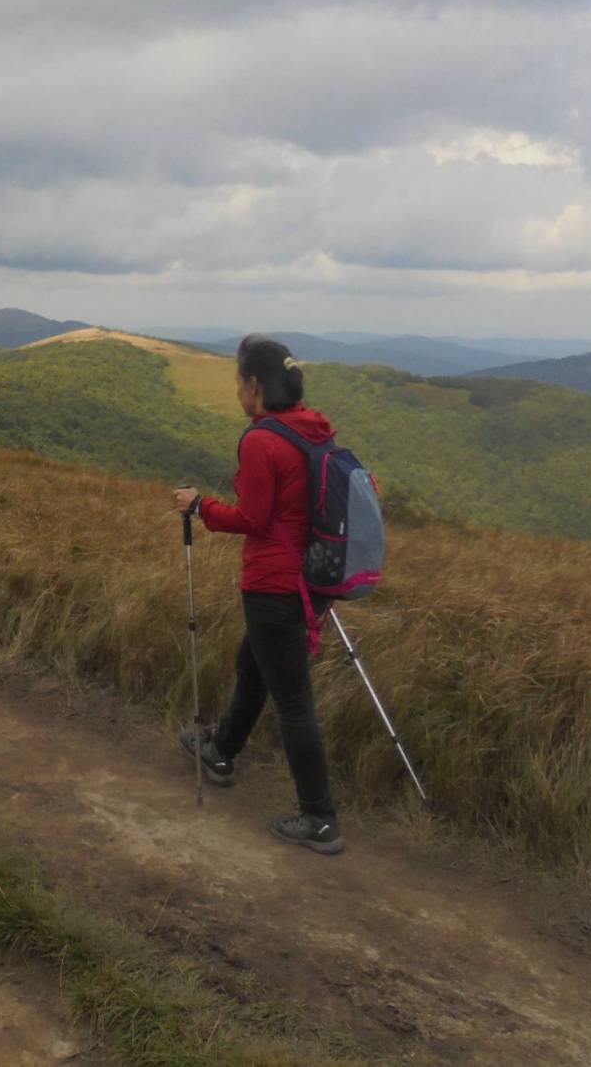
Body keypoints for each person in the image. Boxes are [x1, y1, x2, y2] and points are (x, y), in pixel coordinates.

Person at [173, 336, 343, 855]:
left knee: (293, 703)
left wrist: (200, 506)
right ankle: (222, 749)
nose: (237, 392)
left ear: (254, 384)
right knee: (253, 665)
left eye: (239, 382)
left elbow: (252, 518)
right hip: (308, 579)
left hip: (273, 585)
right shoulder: (312, 428)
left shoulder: (261, 440)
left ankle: (320, 818)